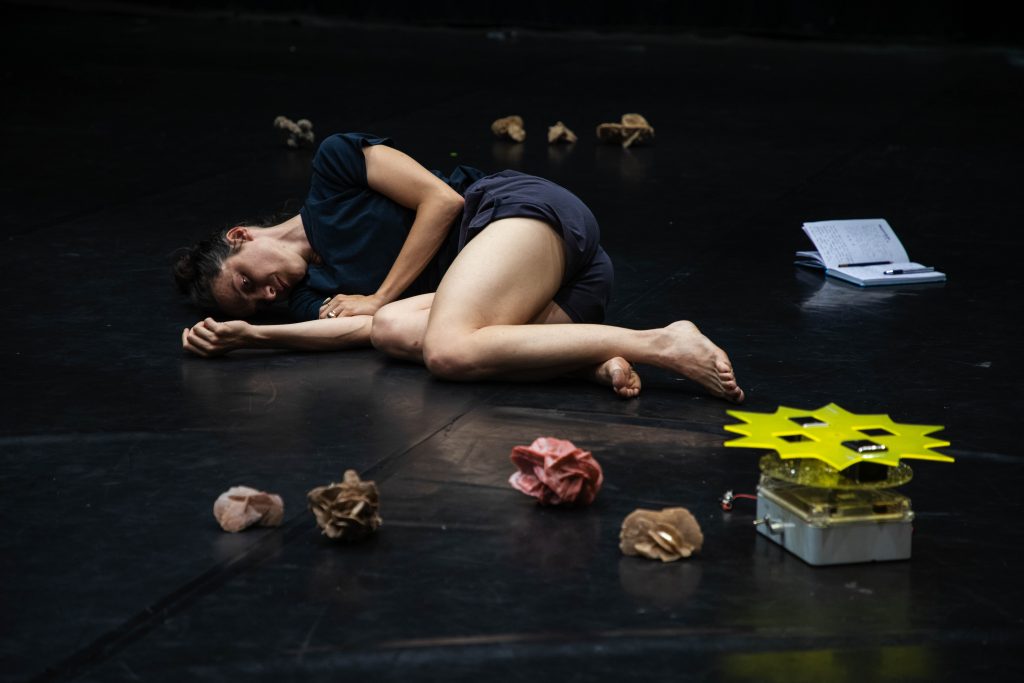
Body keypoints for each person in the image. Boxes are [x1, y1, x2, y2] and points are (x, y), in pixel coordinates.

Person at [175, 132, 743, 402]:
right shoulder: (309, 297)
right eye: (257, 303)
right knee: (392, 331)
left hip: (521, 219)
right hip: (565, 292)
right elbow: (365, 328)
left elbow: (441, 202)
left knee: (447, 350)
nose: (266, 295)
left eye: (246, 282)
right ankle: (585, 359)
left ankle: (660, 342)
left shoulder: (334, 170)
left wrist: (379, 295)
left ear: (241, 236)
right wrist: (252, 335)